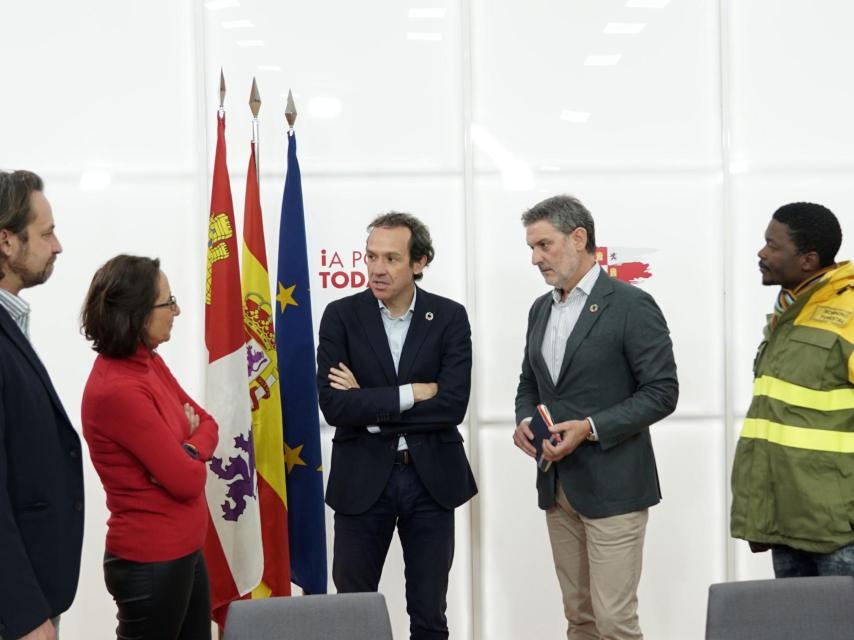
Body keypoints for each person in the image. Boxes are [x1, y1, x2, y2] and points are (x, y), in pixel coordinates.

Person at [512, 195, 678, 640]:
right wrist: (525, 421)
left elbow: (663, 393)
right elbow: (530, 381)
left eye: (544, 245)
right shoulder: (540, 309)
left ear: (579, 238)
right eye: (531, 247)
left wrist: (590, 428)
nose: (535, 258)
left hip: (616, 489)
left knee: (614, 623)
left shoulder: (630, 304)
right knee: (580, 620)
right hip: (557, 485)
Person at [317, 212, 477, 640]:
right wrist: (412, 393)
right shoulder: (341, 316)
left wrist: (367, 405)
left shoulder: (449, 317)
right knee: (352, 611)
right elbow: (334, 406)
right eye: (371, 256)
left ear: (419, 263)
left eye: (391, 258)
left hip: (431, 482)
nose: (376, 268)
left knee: (429, 615)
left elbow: (452, 405)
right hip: (361, 479)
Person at [80, 255, 218, 640]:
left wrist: (185, 448)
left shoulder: (147, 363)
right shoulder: (117, 389)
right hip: (152, 562)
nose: (178, 310)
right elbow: (187, 483)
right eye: (168, 302)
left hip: (185, 550)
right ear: (138, 314)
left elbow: (208, 422)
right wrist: (186, 452)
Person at [731, 202, 853, 577]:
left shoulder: (848, 311)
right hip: (786, 525)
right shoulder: (789, 313)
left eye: (773, 245)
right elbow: (771, 425)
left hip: (838, 533)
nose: (761, 253)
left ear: (808, 259)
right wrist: (760, 514)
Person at [0, 170, 83, 640]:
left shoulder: (12, 322)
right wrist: (25, 613)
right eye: (47, 233)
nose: (57, 246)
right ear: (7, 241)